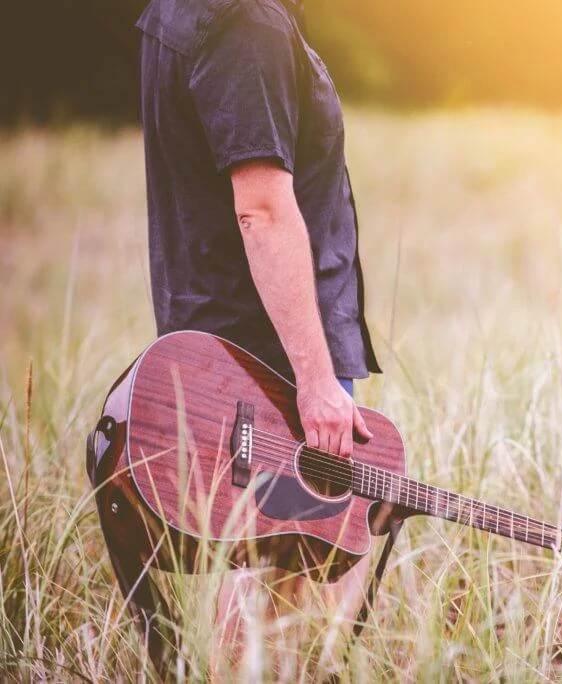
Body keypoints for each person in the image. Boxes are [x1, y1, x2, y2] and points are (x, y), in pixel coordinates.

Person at [135, 0, 381, 675]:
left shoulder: (185, 8)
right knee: (286, 591)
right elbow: (263, 211)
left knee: (261, 582)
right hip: (271, 361)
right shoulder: (247, 24)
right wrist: (316, 381)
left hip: (226, 348)